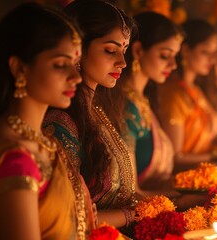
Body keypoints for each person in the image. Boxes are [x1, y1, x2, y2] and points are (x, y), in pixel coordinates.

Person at [0, 3, 83, 239]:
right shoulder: (14, 157)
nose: (76, 77)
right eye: (61, 65)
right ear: (20, 68)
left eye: (75, 64)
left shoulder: (41, 140)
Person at [43, 0, 138, 228]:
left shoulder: (97, 110)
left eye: (124, 50)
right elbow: (70, 216)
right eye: (110, 50)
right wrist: (133, 216)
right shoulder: (59, 123)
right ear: (78, 50)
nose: (122, 62)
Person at [110, 11, 183, 190]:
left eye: (175, 56)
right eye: (165, 56)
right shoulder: (124, 105)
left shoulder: (142, 100)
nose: (173, 65)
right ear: (138, 51)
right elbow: (131, 192)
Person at [157, 19, 217, 171]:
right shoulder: (175, 94)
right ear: (185, 51)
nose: (212, 60)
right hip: (186, 180)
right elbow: (175, 157)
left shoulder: (196, 90)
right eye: (205, 52)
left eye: (214, 53)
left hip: (206, 172)